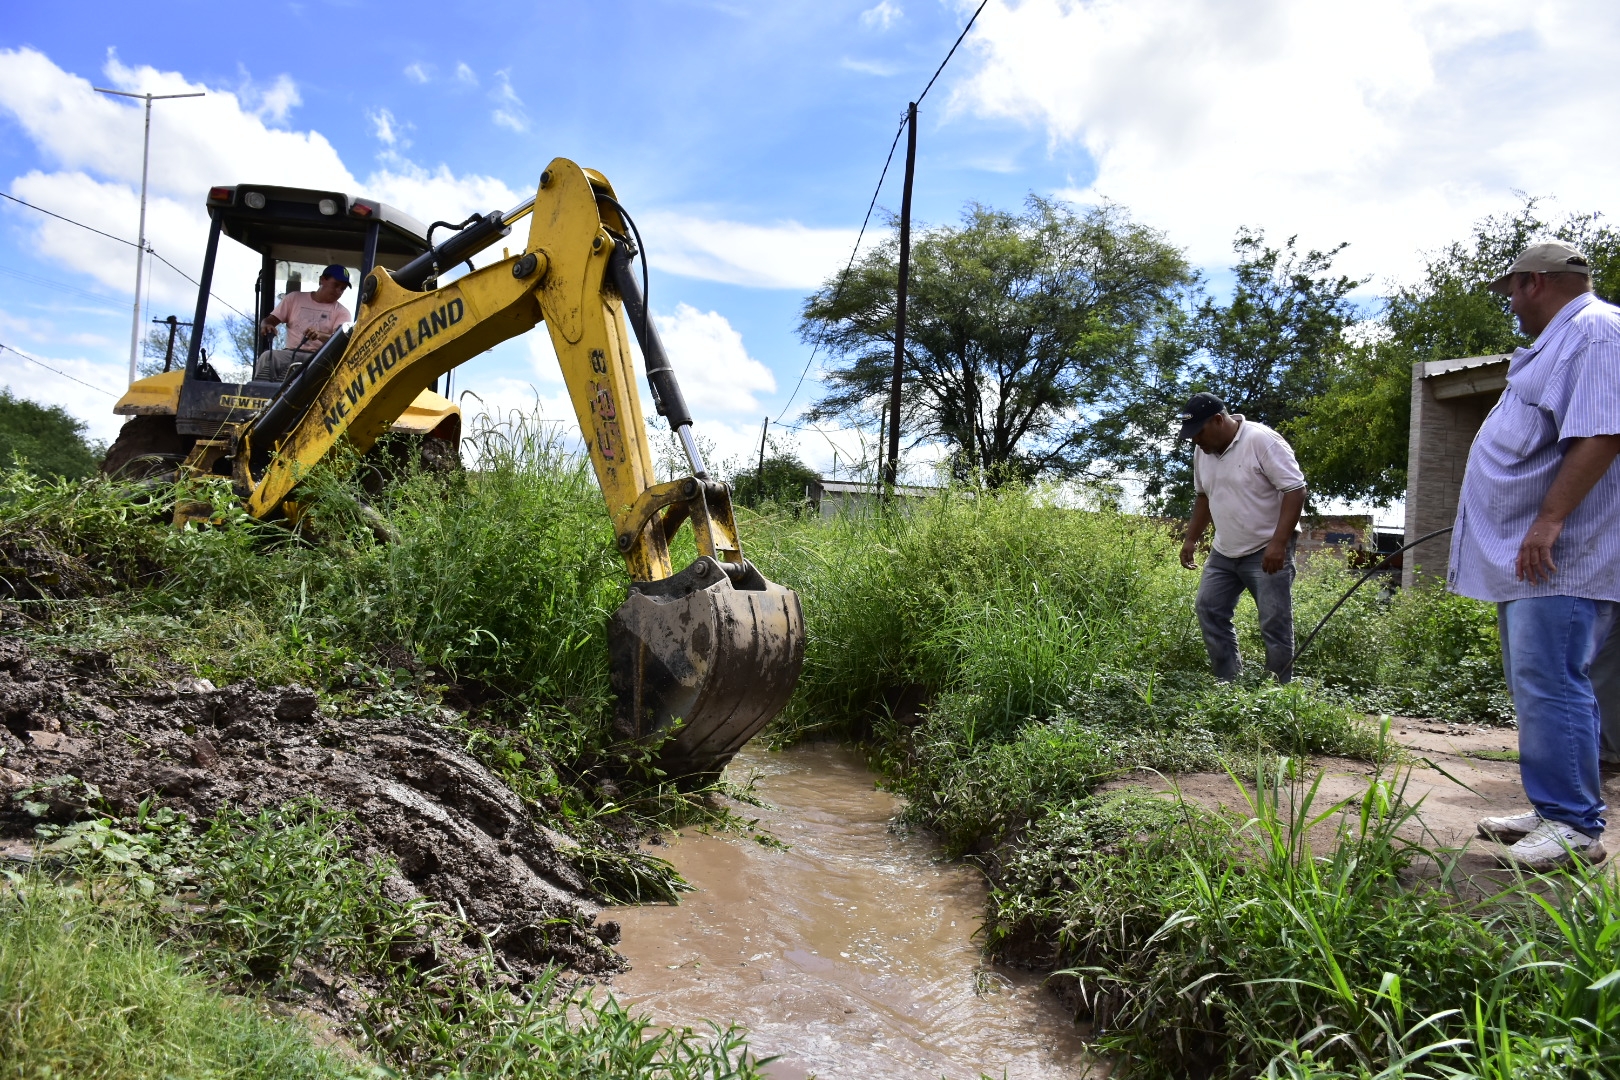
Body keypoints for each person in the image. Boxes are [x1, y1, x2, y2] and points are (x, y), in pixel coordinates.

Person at [1456, 241, 1620, 872]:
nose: (1513, 309)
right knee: (1539, 685)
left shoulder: (1597, 332)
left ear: (1533, 283)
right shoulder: (1563, 341)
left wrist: (1548, 519)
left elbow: (1604, 431)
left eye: (1512, 294)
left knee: (1553, 682)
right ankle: (1553, 807)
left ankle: (1575, 825)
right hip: (1531, 562)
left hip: (1565, 556)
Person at [1178, 392, 1308, 683]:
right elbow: (1203, 496)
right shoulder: (1203, 451)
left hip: (1267, 549)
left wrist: (1278, 543)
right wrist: (1191, 539)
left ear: (1218, 420)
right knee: (1209, 608)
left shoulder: (1261, 441)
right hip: (1224, 550)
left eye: (1198, 433)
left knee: (1274, 622)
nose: (1195, 441)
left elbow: (1295, 489)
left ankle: (1278, 692)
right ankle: (1229, 684)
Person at [254, 264, 352, 381]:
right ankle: (258, 394)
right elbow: (269, 320)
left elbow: (340, 340)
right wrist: (266, 325)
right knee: (267, 357)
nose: (338, 291)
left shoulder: (342, 313)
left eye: (342, 289)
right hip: (290, 353)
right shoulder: (294, 298)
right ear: (322, 280)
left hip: (319, 357)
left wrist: (319, 335)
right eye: (336, 285)